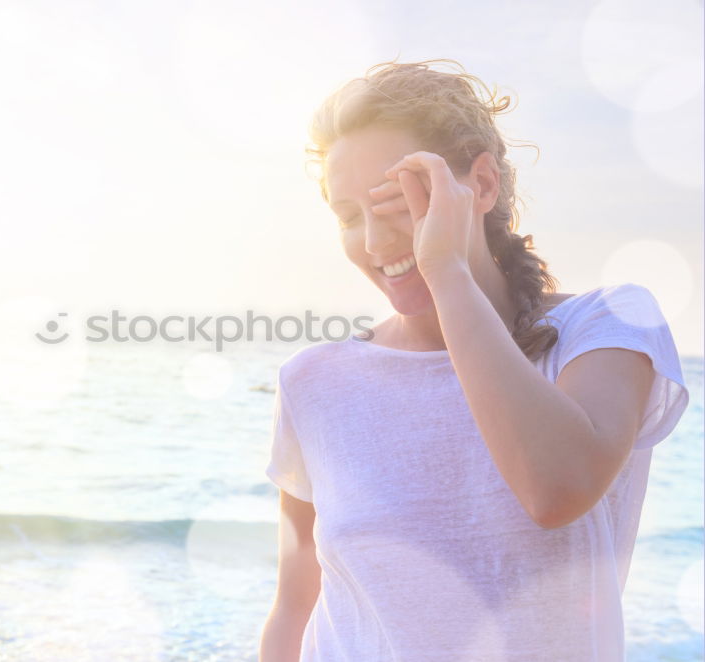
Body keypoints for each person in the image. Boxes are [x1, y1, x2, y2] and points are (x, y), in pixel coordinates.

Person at [258, 59, 690, 661]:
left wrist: (447, 270)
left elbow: (556, 488)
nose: (376, 243)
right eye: (350, 216)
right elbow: (295, 607)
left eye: (399, 202)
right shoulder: (313, 381)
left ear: (481, 186)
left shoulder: (605, 325)